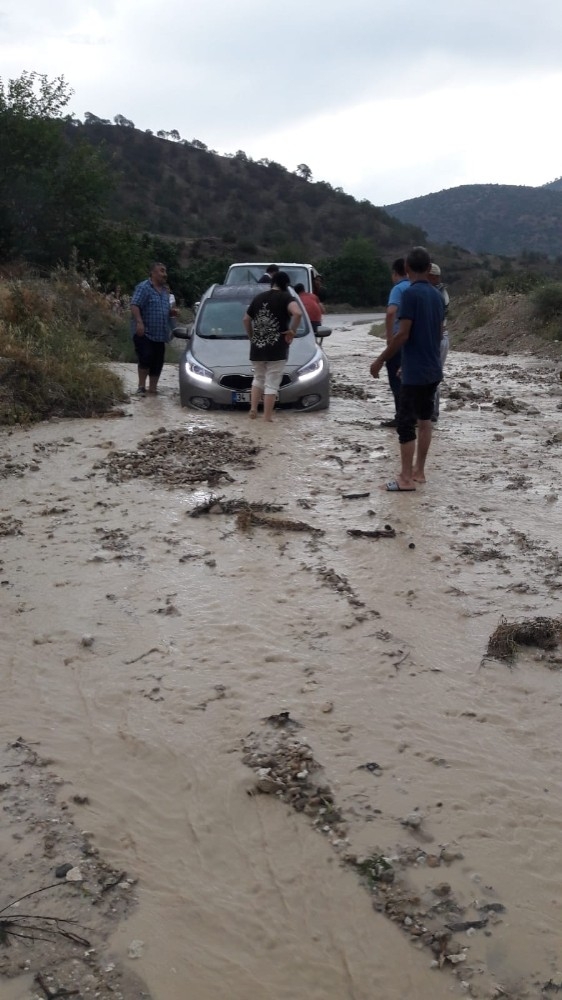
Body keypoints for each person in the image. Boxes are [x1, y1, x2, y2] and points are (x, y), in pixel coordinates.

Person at [369, 246, 444, 491]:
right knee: (425, 420)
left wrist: (381, 359)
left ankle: (405, 479)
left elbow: (403, 335)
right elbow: (435, 333)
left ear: (408, 268)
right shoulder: (437, 294)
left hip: (417, 372)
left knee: (404, 423)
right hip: (432, 368)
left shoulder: (410, 295)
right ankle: (419, 472)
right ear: (428, 266)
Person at [243, 271, 302, 422]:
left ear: (272, 282)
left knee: (258, 378)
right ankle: (267, 417)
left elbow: (246, 319)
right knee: (272, 382)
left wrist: (252, 337)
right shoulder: (287, 298)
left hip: (258, 346)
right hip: (277, 347)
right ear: (286, 285)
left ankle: (253, 409)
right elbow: (298, 313)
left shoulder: (258, 298)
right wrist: (292, 331)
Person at [130, 262, 178, 395]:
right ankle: (141, 387)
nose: (165, 274)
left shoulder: (165, 291)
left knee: (158, 362)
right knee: (146, 357)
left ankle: (152, 390)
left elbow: (164, 310)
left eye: (165, 271)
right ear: (153, 273)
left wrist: (171, 313)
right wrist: (139, 322)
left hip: (160, 334)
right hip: (145, 332)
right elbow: (134, 305)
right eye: (162, 271)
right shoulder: (144, 287)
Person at [380, 258, 409, 428]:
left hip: (398, 341)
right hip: (413, 342)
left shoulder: (398, 289)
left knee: (396, 379)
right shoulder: (417, 287)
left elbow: (391, 313)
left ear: (395, 273)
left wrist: (389, 338)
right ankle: (414, 416)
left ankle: (401, 417)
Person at [428, 263, 450, 422]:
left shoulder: (436, 295)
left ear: (434, 277)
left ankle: (431, 412)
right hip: (441, 337)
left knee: (432, 376)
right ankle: (432, 411)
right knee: (434, 375)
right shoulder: (441, 293)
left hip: (437, 338)